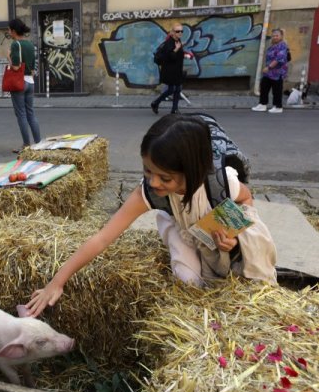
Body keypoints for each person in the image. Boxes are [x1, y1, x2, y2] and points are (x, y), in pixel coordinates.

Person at [26, 114, 277, 318]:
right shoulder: (148, 191)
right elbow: (103, 238)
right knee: (189, 283)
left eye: (165, 177)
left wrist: (231, 234)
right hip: (185, 230)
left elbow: (246, 199)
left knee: (243, 279)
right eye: (148, 170)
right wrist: (57, 282)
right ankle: (171, 230)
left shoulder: (221, 182)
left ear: (193, 170)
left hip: (214, 233)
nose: (154, 181)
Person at [7, 18, 41, 154]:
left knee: (21, 114)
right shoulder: (29, 44)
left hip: (19, 82)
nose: (8, 32)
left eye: (9, 30)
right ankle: (39, 143)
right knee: (31, 113)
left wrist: (8, 57)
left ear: (14, 31)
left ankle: (26, 145)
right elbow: (33, 68)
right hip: (30, 82)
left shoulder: (16, 45)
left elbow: (15, 67)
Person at [150, 24, 187, 115]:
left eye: (182, 31)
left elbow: (178, 56)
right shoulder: (169, 43)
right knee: (172, 89)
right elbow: (170, 57)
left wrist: (184, 54)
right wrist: (177, 49)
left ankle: (173, 109)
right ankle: (156, 103)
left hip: (177, 70)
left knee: (176, 89)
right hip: (169, 71)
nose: (180, 33)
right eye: (178, 31)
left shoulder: (178, 41)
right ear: (173, 32)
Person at [252, 28, 289, 114]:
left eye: (277, 36)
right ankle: (262, 104)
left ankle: (278, 106)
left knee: (277, 90)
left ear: (281, 36)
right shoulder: (273, 45)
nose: (275, 37)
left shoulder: (282, 45)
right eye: (273, 36)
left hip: (277, 72)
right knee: (264, 87)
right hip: (269, 73)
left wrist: (268, 67)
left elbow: (278, 59)